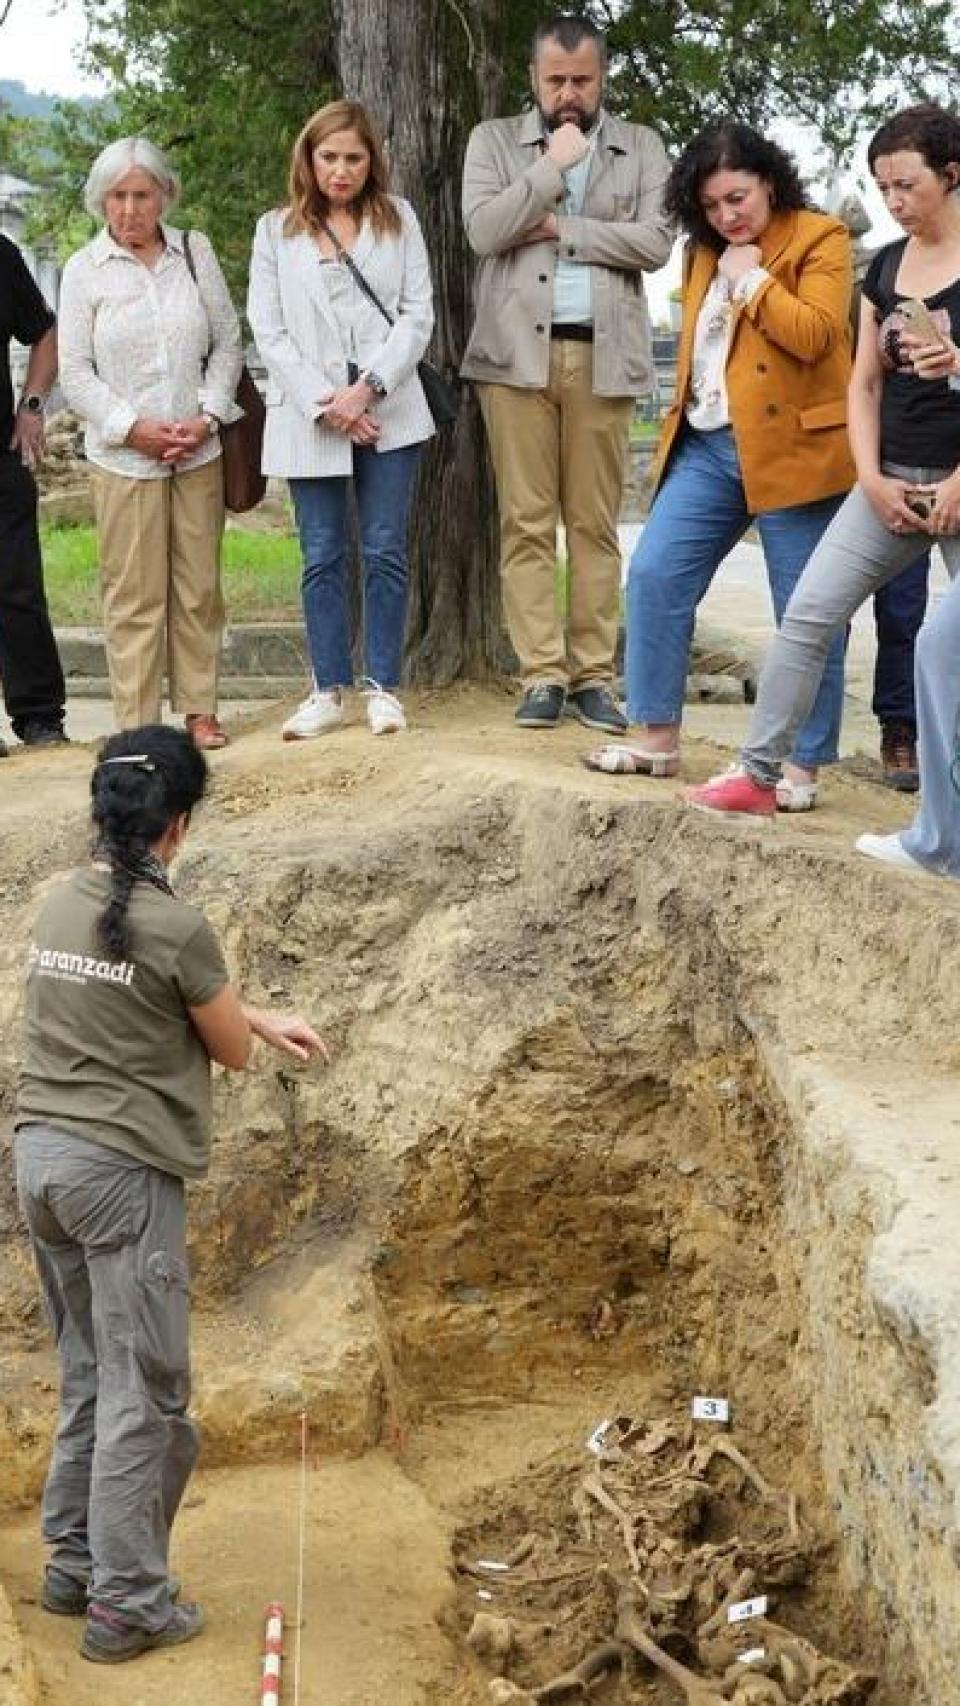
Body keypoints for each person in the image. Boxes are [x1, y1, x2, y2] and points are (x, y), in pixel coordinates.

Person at [15, 724, 326, 1663]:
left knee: (89, 1370)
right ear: (178, 826)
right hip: (121, 1177)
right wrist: (249, 1026)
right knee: (145, 1393)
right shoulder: (177, 925)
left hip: (43, 1163)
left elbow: (146, 1005)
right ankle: (129, 1604)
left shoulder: (59, 902)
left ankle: (73, 1566)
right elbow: (221, 1046)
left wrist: (255, 1015)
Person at [686, 102, 960, 873]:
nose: (893, 201)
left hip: (959, 487)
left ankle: (940, 836)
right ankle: (757, 773)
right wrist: (869, 478)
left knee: (942, 650)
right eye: (882, 187)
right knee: (808, 614)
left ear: (951, 175)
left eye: (906, 185)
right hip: (891, 482)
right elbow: (863, 383)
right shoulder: (885, 267)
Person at [584, 122, 854, 806]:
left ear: (768, 181)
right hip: (708, 443)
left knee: (808, 611)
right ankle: (656, 739)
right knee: (653, 575)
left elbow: (818, 337)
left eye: (737, 197)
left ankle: (800, 767)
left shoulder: (820, 237)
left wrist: (754, 279)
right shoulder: (702, 251)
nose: (727, 215)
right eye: (710, 206)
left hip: (797, 450)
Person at [461, 12, 673, 733]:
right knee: (524, 522)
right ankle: (541, 675)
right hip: (513, 357)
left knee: (594, 523)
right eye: (556, 79)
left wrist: (560, 228)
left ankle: (592, 677)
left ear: (602, 76)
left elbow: (655, 241)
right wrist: (552, 166)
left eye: (583, 79)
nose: (570, 93)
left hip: (604, 355)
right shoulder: (492, 141)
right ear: (534, 78)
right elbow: (484, 230)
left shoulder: (640, 145)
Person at [248, 99, 435, 741]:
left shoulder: (398, 219)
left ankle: (384, 686)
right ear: (309, 157)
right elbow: (268, 331)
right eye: (329, 156)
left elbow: (417, 315)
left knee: (384, 549)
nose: (341, 169)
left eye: (353, 157)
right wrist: (328, 403)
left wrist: (368, 390)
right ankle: (327, 688)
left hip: (389, 404)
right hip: (312, 412)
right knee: (322, 552)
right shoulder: (276, 230)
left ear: (370, 160)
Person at [58, 137, 243, 750]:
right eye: (118, 196)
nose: (131, 209)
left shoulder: (194, 251)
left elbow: (227, 344)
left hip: (197, 451)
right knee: (133, 593)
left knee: (198, 587)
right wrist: (132, 426)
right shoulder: (85, 269)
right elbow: (74, 370)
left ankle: (199, 709)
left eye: (142, 194)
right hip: (123, 457)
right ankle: (137, 722)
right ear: (101, 200)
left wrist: (207, 417)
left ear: (164, 196)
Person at [833, 181, 930, 792]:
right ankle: (812, 738)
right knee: (820, 606)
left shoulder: (903, 275)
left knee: (903, 607)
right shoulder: (850, 282)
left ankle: (901, 729)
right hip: (840, 453)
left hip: (907, 457)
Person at [0, 234, 68, 753]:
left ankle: (39, 717)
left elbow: (44, 333)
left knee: (18, 588)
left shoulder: (1, 255)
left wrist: (33, 405)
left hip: (0, 454)